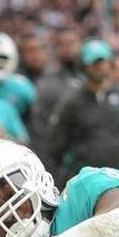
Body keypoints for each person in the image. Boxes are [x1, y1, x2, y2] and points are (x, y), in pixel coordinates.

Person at [46, 39, 119, 186]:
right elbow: (56, 146)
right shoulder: (72, 101)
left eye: (102, 61)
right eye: (93, 63)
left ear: (111, 64)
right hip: (83, 182)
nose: (99, 67)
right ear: (84, 66)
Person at [30, 27, 82, 159]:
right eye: (62, 44)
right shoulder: (47, 83)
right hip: (61, 156)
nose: (67, 48)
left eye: (71, 43)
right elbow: (40, 126)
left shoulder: (90, 79)